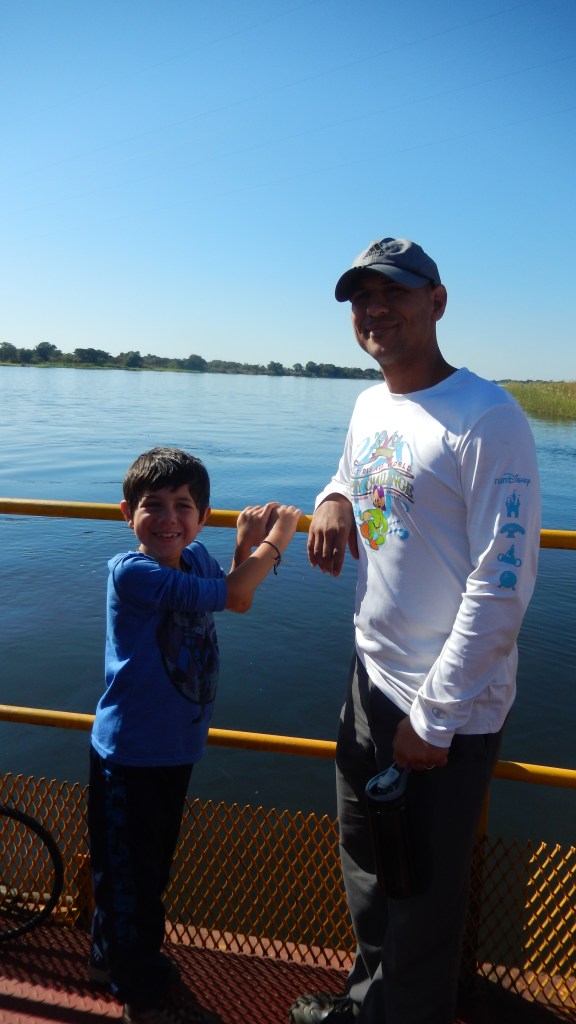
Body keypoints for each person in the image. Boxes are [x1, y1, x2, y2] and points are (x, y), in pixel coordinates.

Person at [289, 238, 541, 1024]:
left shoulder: (488, 420)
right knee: (366, 872)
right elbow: (354, 470)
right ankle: (370, 1006)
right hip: (369, 683)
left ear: (437, 301)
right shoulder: (371, 403)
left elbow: (501, 587)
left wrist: (433, 718)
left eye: (393, 293)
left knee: (425, 904)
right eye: (362, 298)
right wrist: (333, 498)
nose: (375, 310)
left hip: (445, 714)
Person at [87, 446, 300, 1024]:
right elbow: (236, 594)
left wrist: (242, 551)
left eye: (183, 506)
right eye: (152, 506)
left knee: (138, 869)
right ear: (126, 514)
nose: (168, 519)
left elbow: (236, 593)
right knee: (135, 881)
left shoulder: (198, 560)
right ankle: (144, 998)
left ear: (202, 518)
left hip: (173, 750)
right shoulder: (133, 573)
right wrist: (276, 541)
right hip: (130, 753)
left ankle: (109, 960)